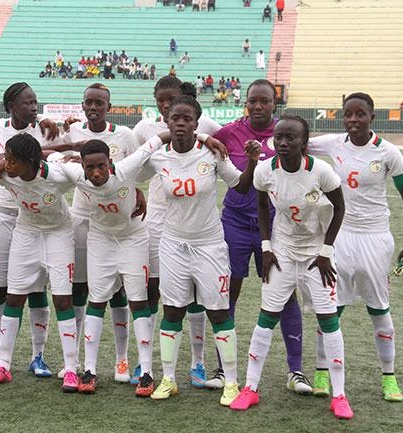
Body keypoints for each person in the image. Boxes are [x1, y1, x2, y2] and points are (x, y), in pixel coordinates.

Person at [138, 95, 261, 405]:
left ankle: (231, 382)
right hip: (173, 245)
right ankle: (168, 379)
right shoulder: (159, 158)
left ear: (196, 123)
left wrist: (252, 162)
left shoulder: (212, 153)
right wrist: (158, 141)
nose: (181, 123)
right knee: (172, 310)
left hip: (209, 245)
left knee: (218, 311)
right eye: (175, 118)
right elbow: (126, 173)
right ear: (167, 121)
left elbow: (240, 186)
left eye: (187, 119)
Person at [230, 115, 351, 420]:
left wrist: (326, 251)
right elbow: (261, 206)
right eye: (279, 137)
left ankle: (339, 395)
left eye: (291, 138)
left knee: (328, 320)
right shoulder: (264, 171)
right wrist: (266, 247)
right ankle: (250, 388)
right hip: (282, 252)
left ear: (304, 142)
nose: (283, 143)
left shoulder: (321, 171)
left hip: (316, 256)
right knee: (266, 318)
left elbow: (339, 208)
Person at [307, 92, 403, 404]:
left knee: (379, 308)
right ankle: (321, 372)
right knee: (331, 308)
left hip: (375, 238)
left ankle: (389, 376)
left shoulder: (389, 152)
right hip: (340, 236)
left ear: (372, 117)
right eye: (348, 114)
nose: (353, 120)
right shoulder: (334, 144)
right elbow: (295, 141)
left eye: (360, 114)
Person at [211, 79, 311, 394]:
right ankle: (223, 368)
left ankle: (296, 371)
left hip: (277, 226)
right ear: (246, 103)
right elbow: (202, 145)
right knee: (229, 292)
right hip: (235, 223)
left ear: (274, 103)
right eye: (252, 100)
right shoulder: (230, 133)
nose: (257, 106)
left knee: (285, 294)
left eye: (264, 100)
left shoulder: (285, 133)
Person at [44, 83, 141, 382]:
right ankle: (74, 360)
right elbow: (53, 154)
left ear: (109, 106)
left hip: (116, 223)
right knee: (80, 289)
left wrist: (137, 192)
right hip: (82, 219)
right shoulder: (73, 132)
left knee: (118, 292)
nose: (94, 107)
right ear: (83, 105)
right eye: (89, 102)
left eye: (100, 103)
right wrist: (62, 140)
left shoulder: (125, 135)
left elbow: (136, 171)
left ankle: (122, 360)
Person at [61, 136, 170, 396]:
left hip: (133, 238)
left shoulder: (126, 168)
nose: (96, 173)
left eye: (101, 166)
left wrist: (202, 137)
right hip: (100, 240)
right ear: (82, 167)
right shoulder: (75, 174)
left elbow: (157, 140)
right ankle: (90, 370)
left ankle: (146, 372)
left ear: (110, 163)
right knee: (96, 301)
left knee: (138, 301)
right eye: (90, 168)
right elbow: (46, 160)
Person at [133, 76, 222, 390]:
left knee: (194, 293)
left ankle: (197, 361)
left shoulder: (203, 125)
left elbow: (225, 141)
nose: (165, 105)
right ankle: (145, 361)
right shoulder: (144, 128)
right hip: (158, 217)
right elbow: (132, 165)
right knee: (153, 288)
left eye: (171, 99)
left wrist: (205, 138)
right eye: (160, 100)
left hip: (194, 221)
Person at [0, 82, 60, 377]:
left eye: (35, 102)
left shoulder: (46, 129)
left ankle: (38, 356)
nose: (33, 107)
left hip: (35, 220)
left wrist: (47, 122)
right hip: (4, 216)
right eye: (27, 103)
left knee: (36, 288)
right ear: (11, 106)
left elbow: (61, 157)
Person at [0, 134, 79, 392]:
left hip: (58, 233)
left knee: (62, 300)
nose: (7, 164)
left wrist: (133, 192)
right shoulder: (4, 173)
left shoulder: (58, 175)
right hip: (25, 232)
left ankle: (71, 368)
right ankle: (4, 365)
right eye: (6, 158)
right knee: (14, 297)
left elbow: (94, 180)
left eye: (12, 160)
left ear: (31, 162)